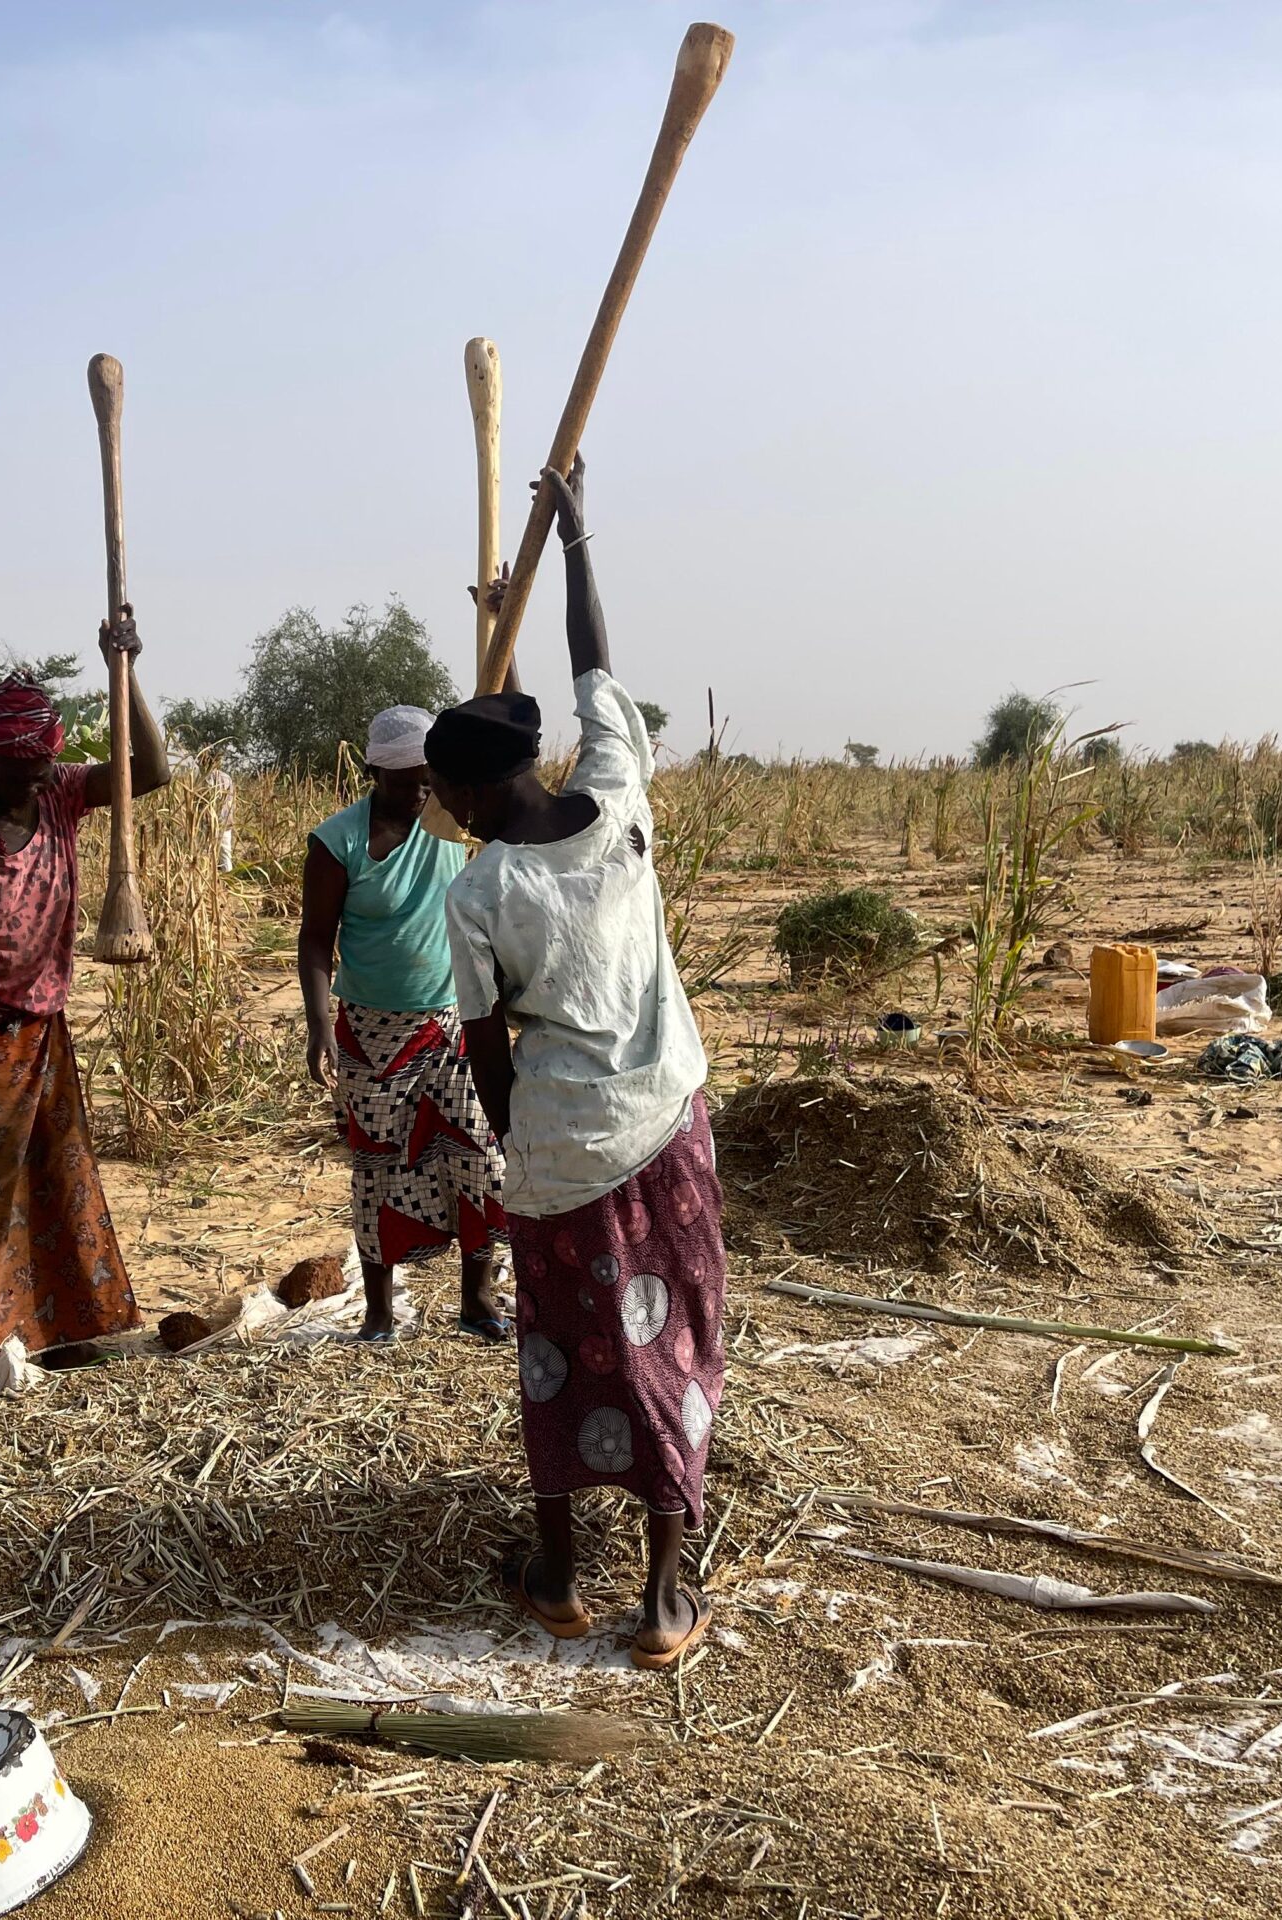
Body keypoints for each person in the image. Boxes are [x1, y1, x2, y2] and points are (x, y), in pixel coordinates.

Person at [424, 455, 721, 1670]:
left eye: (444, 795)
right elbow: (599, 671)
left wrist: (514, 1144)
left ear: (472, 790)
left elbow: (487, 1050)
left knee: (559, 1349)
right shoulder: (619, 790)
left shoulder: (483, 888)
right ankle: (659, 1596)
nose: (440, 812)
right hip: (668, 1125)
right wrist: (580, 543)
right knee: (669, 1338)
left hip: (560, 1154)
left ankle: (556, 1573)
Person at [0, 612, 173, 1399]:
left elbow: (151, 770)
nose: (40, 778)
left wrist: (125, 671)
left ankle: (69, 1330)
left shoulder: (62, 796)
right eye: (24, 770)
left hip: (43, 1028)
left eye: (46, 765)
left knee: (60, 1174)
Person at [299, 706, 508, 1342]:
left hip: (450, 1024)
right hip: (369, 1031)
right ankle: (380, 1313)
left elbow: (507, 757)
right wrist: (316, 1025)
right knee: (378, 1167)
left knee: (478, 1157)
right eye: (405, 780)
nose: (419, 792)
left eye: (429, 779)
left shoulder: (451, 826)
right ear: (374, 773)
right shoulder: (338, 843)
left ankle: (476, 1301)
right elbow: (314, 942)